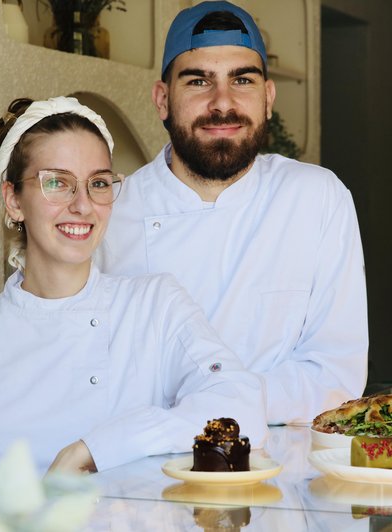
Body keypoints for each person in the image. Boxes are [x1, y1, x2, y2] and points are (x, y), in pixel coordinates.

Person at [0, 96, 268, 492]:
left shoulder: (154, 306)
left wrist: (92, 449)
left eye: (98, 183)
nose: (82, 205)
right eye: (57, 183)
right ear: (14, 200)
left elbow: (242, 405)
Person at [97, 1, 369, 425]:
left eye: (242, 79)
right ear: (163, 99)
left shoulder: (317, 197)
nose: (222, 103)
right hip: (149, 470)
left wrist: (217, 402)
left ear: (268, 97)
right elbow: (93, 371)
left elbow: (335, 376)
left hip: (281, 471)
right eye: (198, 81)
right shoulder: (111, 211)